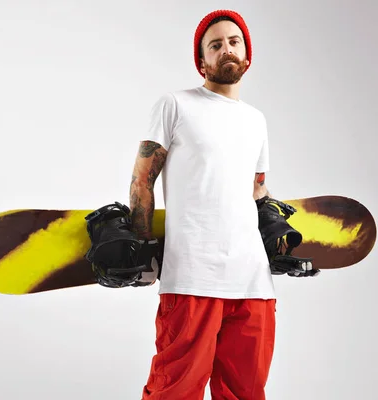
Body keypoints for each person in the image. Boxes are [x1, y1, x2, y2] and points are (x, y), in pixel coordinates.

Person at [129, 9, 278, 400]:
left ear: (247, 55)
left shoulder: (256, 120)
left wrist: (275, 229)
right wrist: (143, 249)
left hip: (253, 282)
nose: (226, 49)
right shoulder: (175, 105)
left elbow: (257, 191)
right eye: (215, 45)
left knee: (247, 392)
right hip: (192, 276)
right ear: (202, 61)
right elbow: (142, 179)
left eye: (234, 41)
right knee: (174, 391)